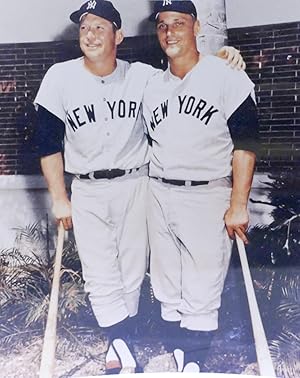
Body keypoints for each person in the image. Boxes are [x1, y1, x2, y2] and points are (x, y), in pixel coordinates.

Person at [33, 0, 246, 374]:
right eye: (84, 28)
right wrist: (59, 198)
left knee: (132, 272)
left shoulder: (144, 76)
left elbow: (188, 71)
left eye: (100, 27)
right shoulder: (59, 77)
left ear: (119, 35)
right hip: (88, 188)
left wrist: (226, 55)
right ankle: (119, 342)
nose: (90, 35)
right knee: (100, 272)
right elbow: (47, 144)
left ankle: (132, 341)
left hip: (138, 182)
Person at [143, 0, 259, 372]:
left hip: (207, 192)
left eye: (179, 23)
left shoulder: (226, 74)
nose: (170, 32)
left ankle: (194, 363)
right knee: (166, 286)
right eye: (162, 25)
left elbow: (246, 143)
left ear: (196, 27)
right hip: (158, 192)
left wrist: (239, 203)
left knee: (201, 286)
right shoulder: (151, 85)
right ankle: (179, 358)